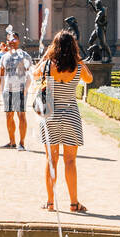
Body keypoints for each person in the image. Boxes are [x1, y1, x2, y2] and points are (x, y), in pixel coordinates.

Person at [34, 29, 92, 213]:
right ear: (73, 46)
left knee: (51, 160)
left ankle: (50, 203)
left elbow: (34, 74)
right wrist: (79, 58)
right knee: (70, 161)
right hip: (70, 115)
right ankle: (74, 203)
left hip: (50, 115)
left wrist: (45, 56)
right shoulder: (78, 66)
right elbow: (89, 79)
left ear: (55, 47)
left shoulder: (46, 66)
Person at [0, 38, 32, 149]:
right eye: (9, 41)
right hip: (8, 90)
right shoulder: (4, 56)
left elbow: (29, 73)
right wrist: (2, 88)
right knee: (9, 116)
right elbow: (2, 73)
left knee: (21, 115)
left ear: (18, 41)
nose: (11, 42)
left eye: (13, 40)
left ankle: (22, 143)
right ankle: (12, 142)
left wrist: (26, 88)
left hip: (21, 89)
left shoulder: (25, 56)